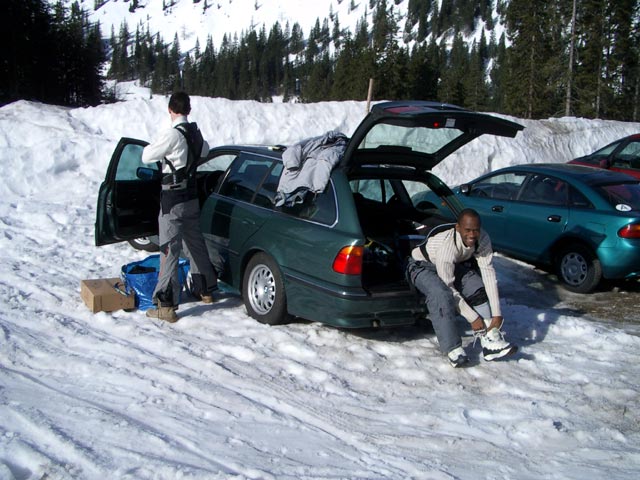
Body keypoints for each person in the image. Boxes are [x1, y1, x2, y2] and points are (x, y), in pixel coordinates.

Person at [141, 91, 218, 322]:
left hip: (172, 200)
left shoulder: (172, 135)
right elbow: (205, 151)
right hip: (191, 198)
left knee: (169, 249)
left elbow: (146, 155)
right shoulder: (196, 135)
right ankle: (205, 290)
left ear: (170, 110)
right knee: (195, 243)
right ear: (189, 110)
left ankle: (166, 304)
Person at [406, 208, 517, 367]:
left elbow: (489, 274)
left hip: (451, 265)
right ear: (458, 228)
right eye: (468, 230)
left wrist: (497, 314)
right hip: (422, 266)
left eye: (476, 230)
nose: (472, 235)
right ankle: (453, 349)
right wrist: (473, 317)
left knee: (475, 285)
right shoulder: (447, 246)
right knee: (441, 294)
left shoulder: (483, 238)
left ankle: (489, 340)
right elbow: (448, 287)